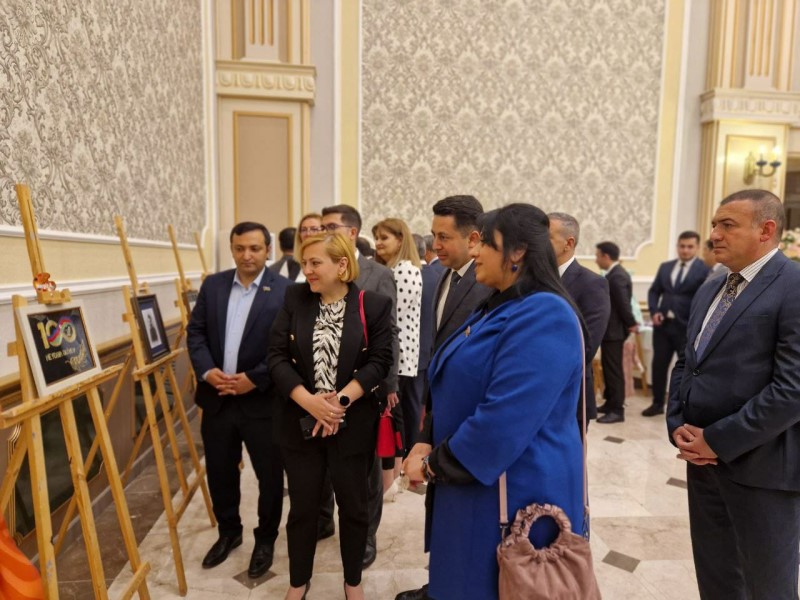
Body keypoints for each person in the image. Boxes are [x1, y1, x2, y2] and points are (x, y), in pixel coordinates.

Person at [404, 204, 584, 600]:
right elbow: (453, 381)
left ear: (517, 251)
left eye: (484, 243)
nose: (474, 251)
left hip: (512, 490)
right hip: (475, 481)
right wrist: (425, 438)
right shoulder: (500, 304)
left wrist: (433, 464)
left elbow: (504, 419)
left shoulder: (545, 313)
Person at [668, 189, 800, 600]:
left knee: (768, 587)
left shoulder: (793, 285)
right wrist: (678, 425)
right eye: (714, 225)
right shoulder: (711, 287)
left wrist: (718, 440)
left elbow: (792, 389)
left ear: (766, 229)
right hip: (702, 464)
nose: (714, 235)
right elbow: (688, 361)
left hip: (763, 468)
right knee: (717, 579)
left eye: (727, 225)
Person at [268, 233, 394, 600]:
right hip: (301, 423)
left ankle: (353, 582)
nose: (306, 270)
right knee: (303, 509)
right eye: (304, 263)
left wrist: (337, 402)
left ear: (341, 265)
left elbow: (379, 362)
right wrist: (310, 402)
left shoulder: (373, 305)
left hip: (351, 424)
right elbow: (276, 357)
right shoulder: (295, 299)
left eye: (314, 263)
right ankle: (298, 582)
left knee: (354, 509)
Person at [396, 195, 491, 600]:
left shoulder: (488, 286)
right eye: (433, 235)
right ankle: (441, 582)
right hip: (440, 408)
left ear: (473, 237)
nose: (434, 245)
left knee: (464, 512)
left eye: (443, 237)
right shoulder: (438, 277)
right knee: (441, 509)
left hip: (468, 415)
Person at [186, 221, 291, 578]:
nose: (247, 255)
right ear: (232, 249)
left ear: (268, 250)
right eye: (240, 248)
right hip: (217, 400)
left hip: (262, 403)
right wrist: (206, 370)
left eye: (255, 248)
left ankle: (265, 540)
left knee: (269, 477)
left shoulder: (285, 291)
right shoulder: (213, 285)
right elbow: (196, 333)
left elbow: (287, 348)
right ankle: (229, 532)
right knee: (220, 473)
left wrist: (254, 379)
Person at [320, 204, 399, 568]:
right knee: (325, 462)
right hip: (322, 391)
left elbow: (390, 333)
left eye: (331, 227)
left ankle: (366, 534)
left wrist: (389, 384)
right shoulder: (317, 270)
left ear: (352, 232)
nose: (323, 232)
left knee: (366, 470)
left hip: (365, 388)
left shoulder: (378, 274)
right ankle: (325, 520)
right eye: (321, 227)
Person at [372, 218, 423, 495]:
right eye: (377, 238)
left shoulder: (404, 270)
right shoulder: (393, 269)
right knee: (394, 414)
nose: (378, 243)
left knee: (394, 416)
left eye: (384, 238)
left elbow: (390, 317)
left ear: (400, 239)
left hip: (399, 355)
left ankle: (394, 477)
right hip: (396, 353)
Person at [548, 212, 610, 430]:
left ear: (569, 243)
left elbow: (586, 345)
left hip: (570, 394)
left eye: (547, 237)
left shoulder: (592, 283)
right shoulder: (532, 280)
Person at [643, 231, 709, 416]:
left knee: (684, 368)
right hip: (663, 326)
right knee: (659, 365)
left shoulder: (704, 269)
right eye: (682, 246)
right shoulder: (666, 267)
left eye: (689, 247)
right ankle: (657, 403)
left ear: (697, 248)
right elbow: (654, 291)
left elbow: (704, 298)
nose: (685, 250)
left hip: (686, 327)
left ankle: (680, 406)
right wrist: (654, 311)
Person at [594, 241, 638, 424]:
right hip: (610, 331)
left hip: (614, 331)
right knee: (609, 368)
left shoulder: (617, 276)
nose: (596, 260)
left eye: (597, 256)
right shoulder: (614, 274)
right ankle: (610, 403)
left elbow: (623, 304)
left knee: (614, 371)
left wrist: (631, 323)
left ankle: (617, 410)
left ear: (606, 256)